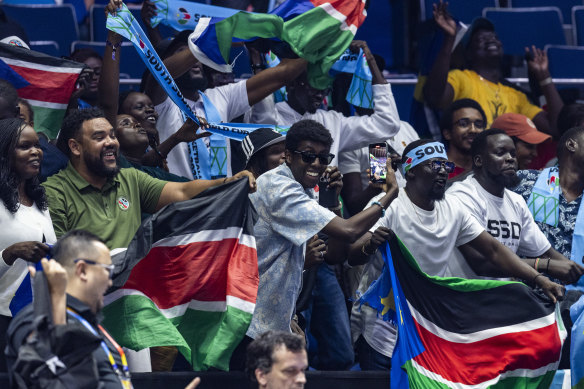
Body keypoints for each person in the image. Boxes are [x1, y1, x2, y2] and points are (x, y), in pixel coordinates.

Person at [348, 139, 564, 369]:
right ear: (410, 171)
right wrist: (371, 244)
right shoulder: (390, 204)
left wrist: (538, 279)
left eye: (446, 166)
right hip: (383, 328)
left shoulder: (453, 208)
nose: (442, 172)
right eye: (433, 165)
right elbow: (352, 254)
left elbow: (493, 250)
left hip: (425, 328)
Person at [230, 119, 399, 370]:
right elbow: (350, 231)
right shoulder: (279, 187)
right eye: (308, 157)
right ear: (288, 155)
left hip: (268, 315)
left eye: (323, 158)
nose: (317, 165)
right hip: (247, 316)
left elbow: (333, 253)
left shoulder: (301, 187)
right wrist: (389, 194)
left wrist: (332, 200)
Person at [5, 230, 202, 389]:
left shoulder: (96, 330)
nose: (110, 281)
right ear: (82, 270)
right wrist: (56, 304)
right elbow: (49, 379)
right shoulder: (34, 319)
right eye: (107, 270)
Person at [44, 107, 255, 250]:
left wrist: (230, 182)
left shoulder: (129, 178)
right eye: (99, 138)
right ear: (75, 147)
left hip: (133, 295)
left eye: (112, 135)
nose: (111, 142)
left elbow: (183, 192)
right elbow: (59, 257)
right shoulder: (55, 191)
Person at [143, 28, 308, 179]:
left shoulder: (219, 96)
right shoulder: (160, 103)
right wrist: (213, 40)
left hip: (222, 203)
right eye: (182, 52)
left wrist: (319, 36)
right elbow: (160, 74)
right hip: (179, 206)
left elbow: (284, 74)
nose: (195, 59)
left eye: (198, 55)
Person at [447, 129, 583, 282]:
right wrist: (544, 268)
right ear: (479, 161)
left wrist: (575, 272)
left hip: (510, 294)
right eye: (501, 153)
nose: (510, 159)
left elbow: (545, 252)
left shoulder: (515, 200)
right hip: (468, 295)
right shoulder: (528, 181)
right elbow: (482, 262)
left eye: (513, 154)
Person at [248, 40, 401, 167]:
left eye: (325, 90)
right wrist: (257, 61)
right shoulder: (271, 118)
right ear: (292, 84)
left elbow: (388, 124)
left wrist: (371, 62)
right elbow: (264, 107)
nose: (320, 95)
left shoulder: (332, 121)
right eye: (314, 87)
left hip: (325, 204)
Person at [423, 1, 563, 136]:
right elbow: (435, 98)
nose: (491, 40)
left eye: (494, 37)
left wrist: (544, 77)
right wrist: (449, 39)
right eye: (481, 39)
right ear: (469, 53)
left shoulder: (516, 96)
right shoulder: (461, 78)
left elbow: (556, 128)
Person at [0, 118, 55, 372]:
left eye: (38, 145)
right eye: (25, 146)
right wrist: (9, 254)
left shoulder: (40, 201)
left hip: (38, 321)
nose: (36, 151)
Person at [339, 121, 419, 216]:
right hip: (381, 217)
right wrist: (377, 184)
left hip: (416, 211)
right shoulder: (351, 139)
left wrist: (411, 166)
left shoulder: (405, 127)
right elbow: (354, 209)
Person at [439, 98, 486, 179]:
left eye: (478, 125)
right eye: (463, 124)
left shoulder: (488, 169)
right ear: (447, 133)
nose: (473, 130)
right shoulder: (436, 170)